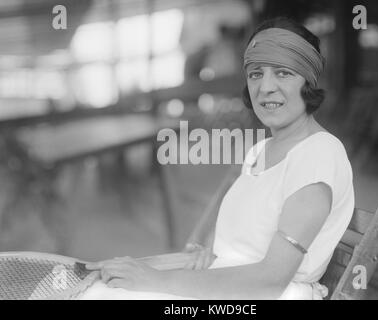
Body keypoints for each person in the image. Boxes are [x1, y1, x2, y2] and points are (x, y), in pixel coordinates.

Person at [83, 16, 354, 300]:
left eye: (283, 73)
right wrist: (208, 254)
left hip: (267, 295)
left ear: (308, 80)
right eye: (256, 73)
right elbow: (242, 244)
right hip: (226, 286)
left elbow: (271, 279)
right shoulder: (258, 152)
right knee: (100, 289)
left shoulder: (319, 154)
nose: (266, 87)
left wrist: (156, 278)